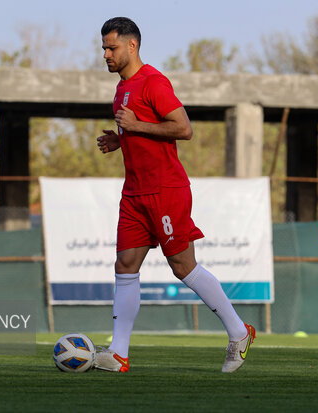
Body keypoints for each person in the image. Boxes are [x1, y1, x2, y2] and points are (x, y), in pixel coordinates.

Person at [95, 17, 255, 373]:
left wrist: (135, 126)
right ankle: (119, 354)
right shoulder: (121, 89)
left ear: (131, 46)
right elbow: (143, 135)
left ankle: (239, 331)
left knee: (183, 266)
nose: (105, 54)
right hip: (134, 192)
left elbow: (183, 128)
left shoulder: (153, 82)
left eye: (112, 47)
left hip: (166, 190)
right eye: (104, 48)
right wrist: (120, 140)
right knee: (124, 265)